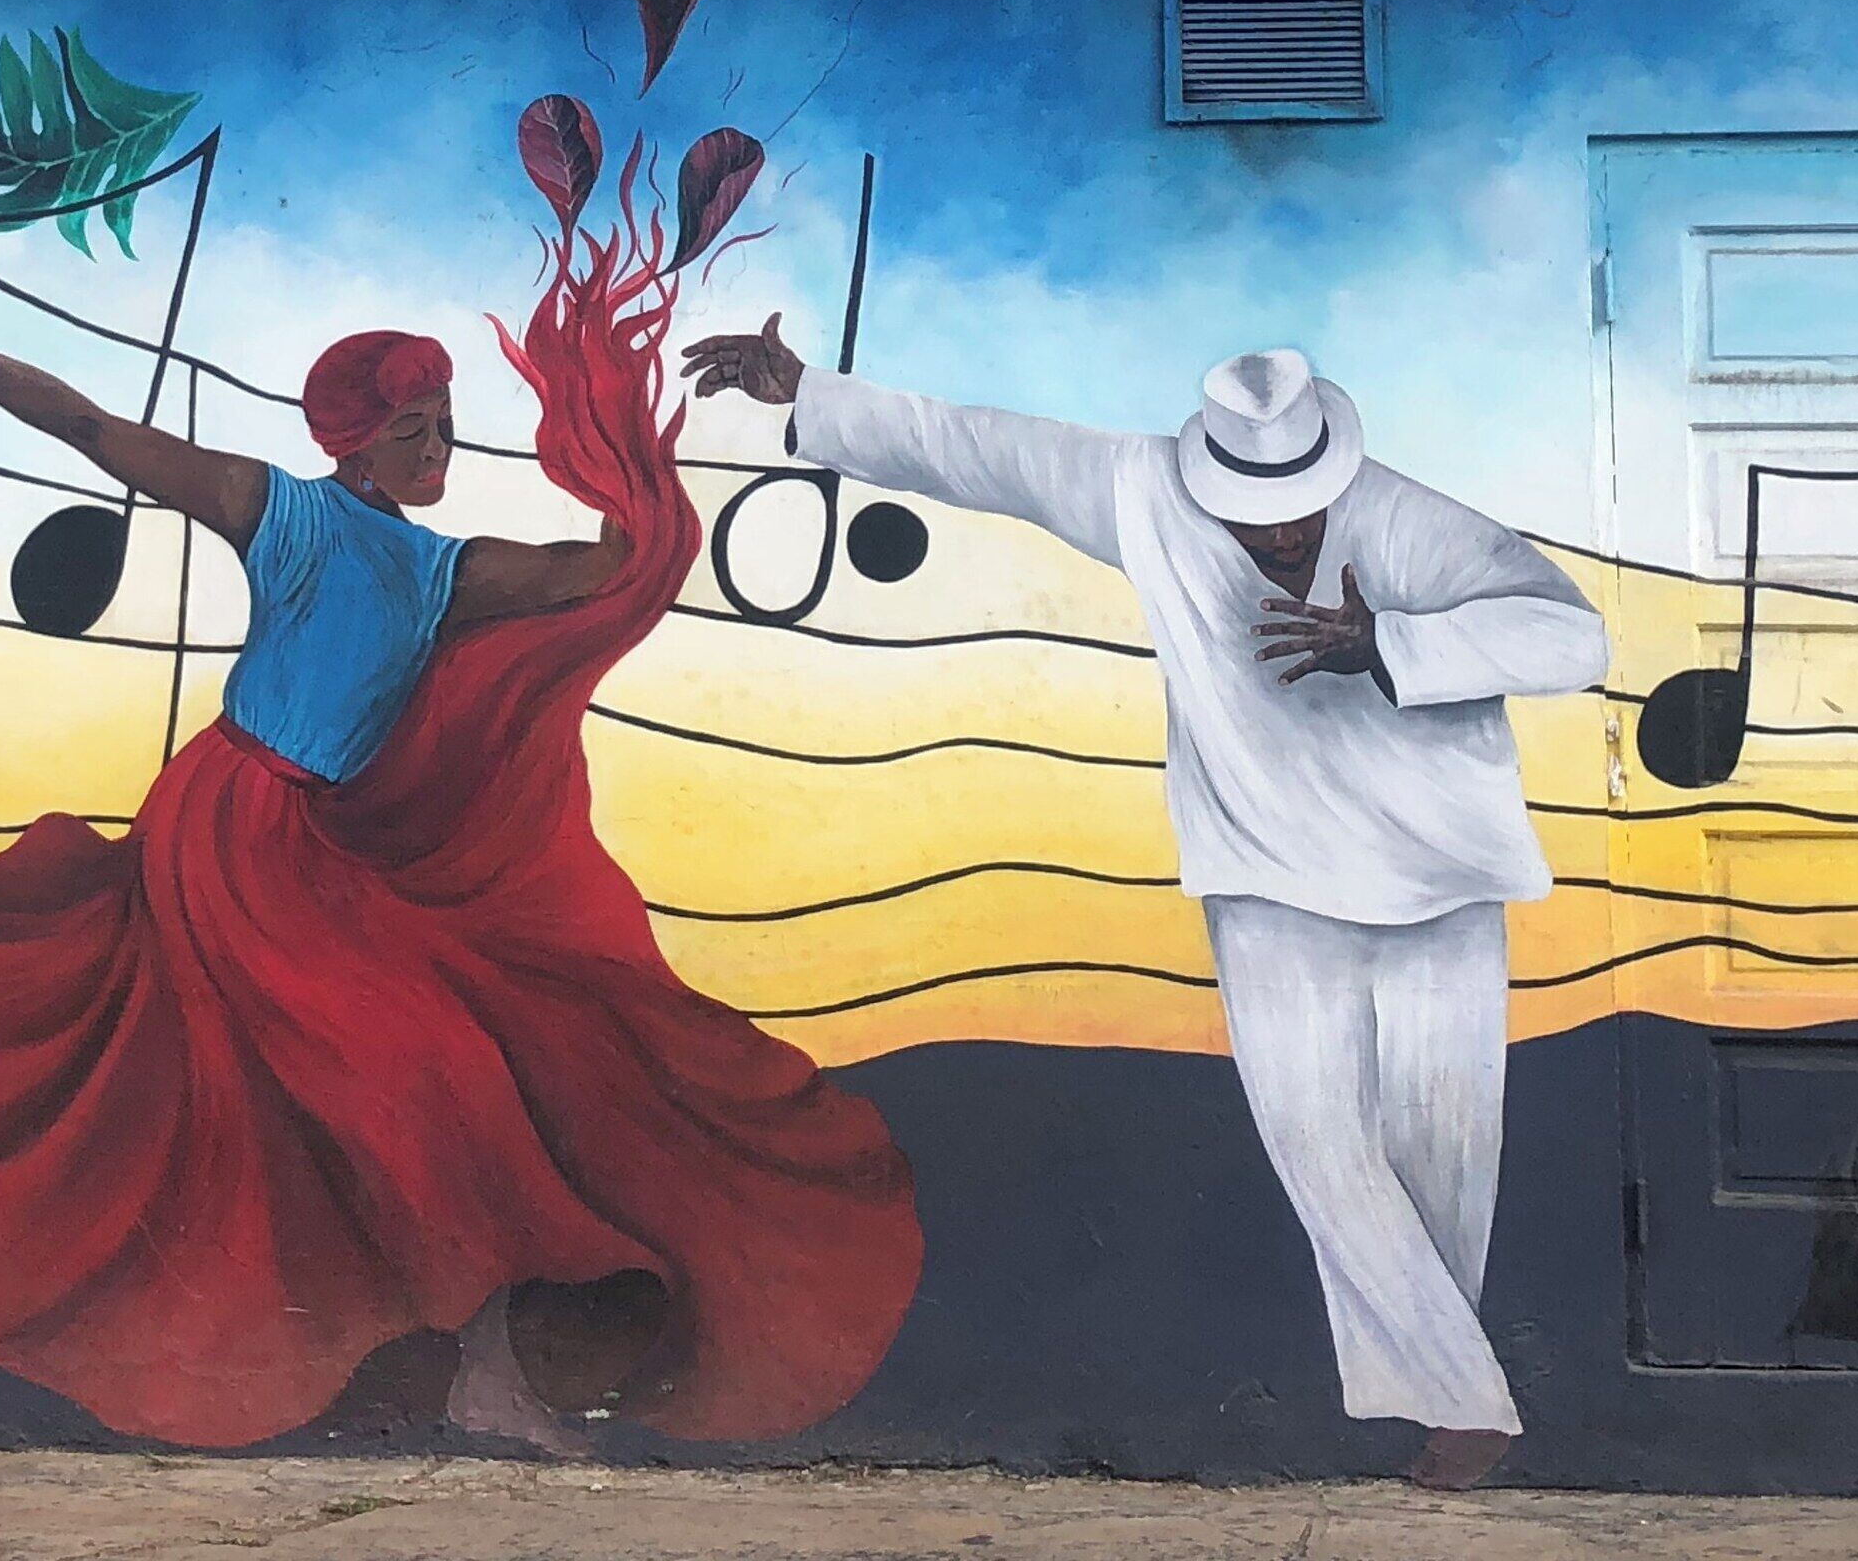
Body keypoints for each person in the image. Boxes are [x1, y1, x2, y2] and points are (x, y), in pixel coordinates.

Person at [0, 251, 921, 1456]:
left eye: (447, 426)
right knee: (383, 1056)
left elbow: (602, 570)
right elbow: (97, 430)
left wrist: (620, 446)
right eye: (419, 428)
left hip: (312, 848)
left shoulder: (446, 572)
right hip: (225, 829)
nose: (441, 449)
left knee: (438, 1059)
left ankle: (467, 1344)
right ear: (359, 439)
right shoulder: (281, 514)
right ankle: (446, 1349)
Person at [683, 318, 1605, 1489]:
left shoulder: (1412, 522)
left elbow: (1575, 632)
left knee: (1444, 1153)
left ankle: (1436, 1389)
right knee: (1318, 1143)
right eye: (1253, 504)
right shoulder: (1140, 492)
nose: (1277, 526)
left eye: (1300, 502)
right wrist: (809, 393)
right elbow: (978, 449)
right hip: (1268, 874)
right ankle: (1468, 1403)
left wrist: (1393, 644)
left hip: (1444, 879)